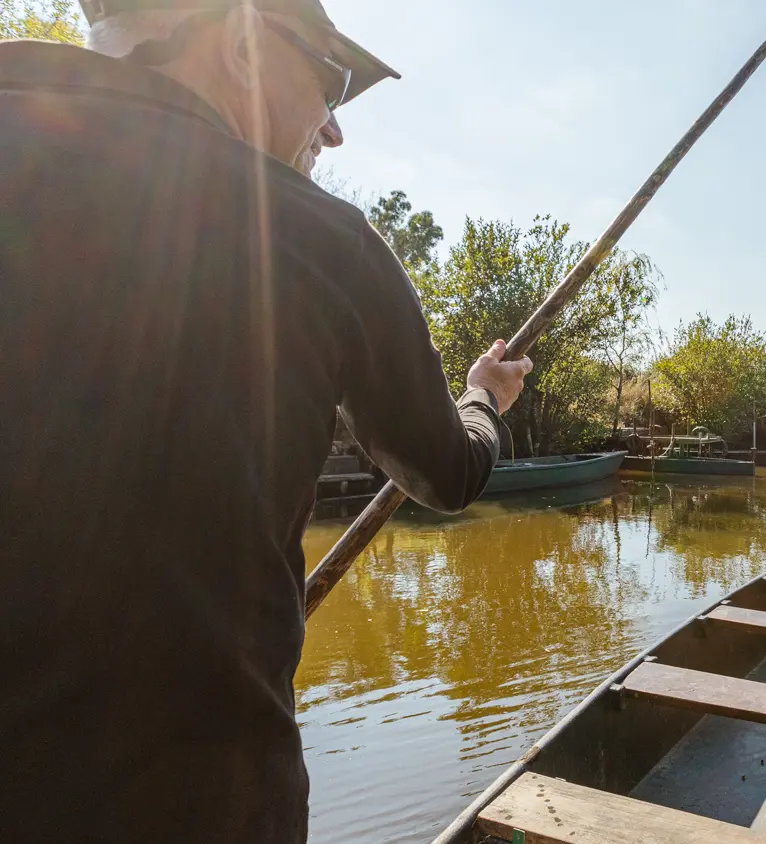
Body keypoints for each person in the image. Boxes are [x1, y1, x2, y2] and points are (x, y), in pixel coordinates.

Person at [0, 3, 532, 842]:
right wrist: (483, 400)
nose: (333, 130)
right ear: (244, 44)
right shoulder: (322, 240)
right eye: (332, 81)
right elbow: (448, 471)